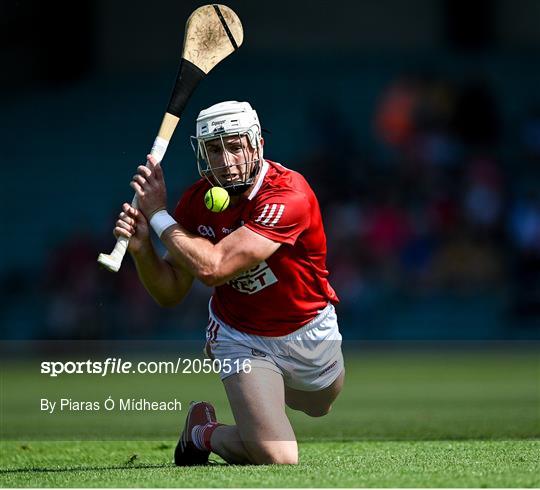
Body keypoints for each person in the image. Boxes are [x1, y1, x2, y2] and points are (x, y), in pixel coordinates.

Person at [114, 101, 344, 465]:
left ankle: (258, 405)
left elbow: (215, 267)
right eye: (214, 150)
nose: (225, 159)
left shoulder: (288, 195)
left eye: (235, 146)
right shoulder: (195, 203)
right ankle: (201, 432)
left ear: (256, 146)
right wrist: (143, 250)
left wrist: (158, 215)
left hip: (308, 328)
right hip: (242, 336)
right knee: (277, 455)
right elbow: (171, 291)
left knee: (320, 403)